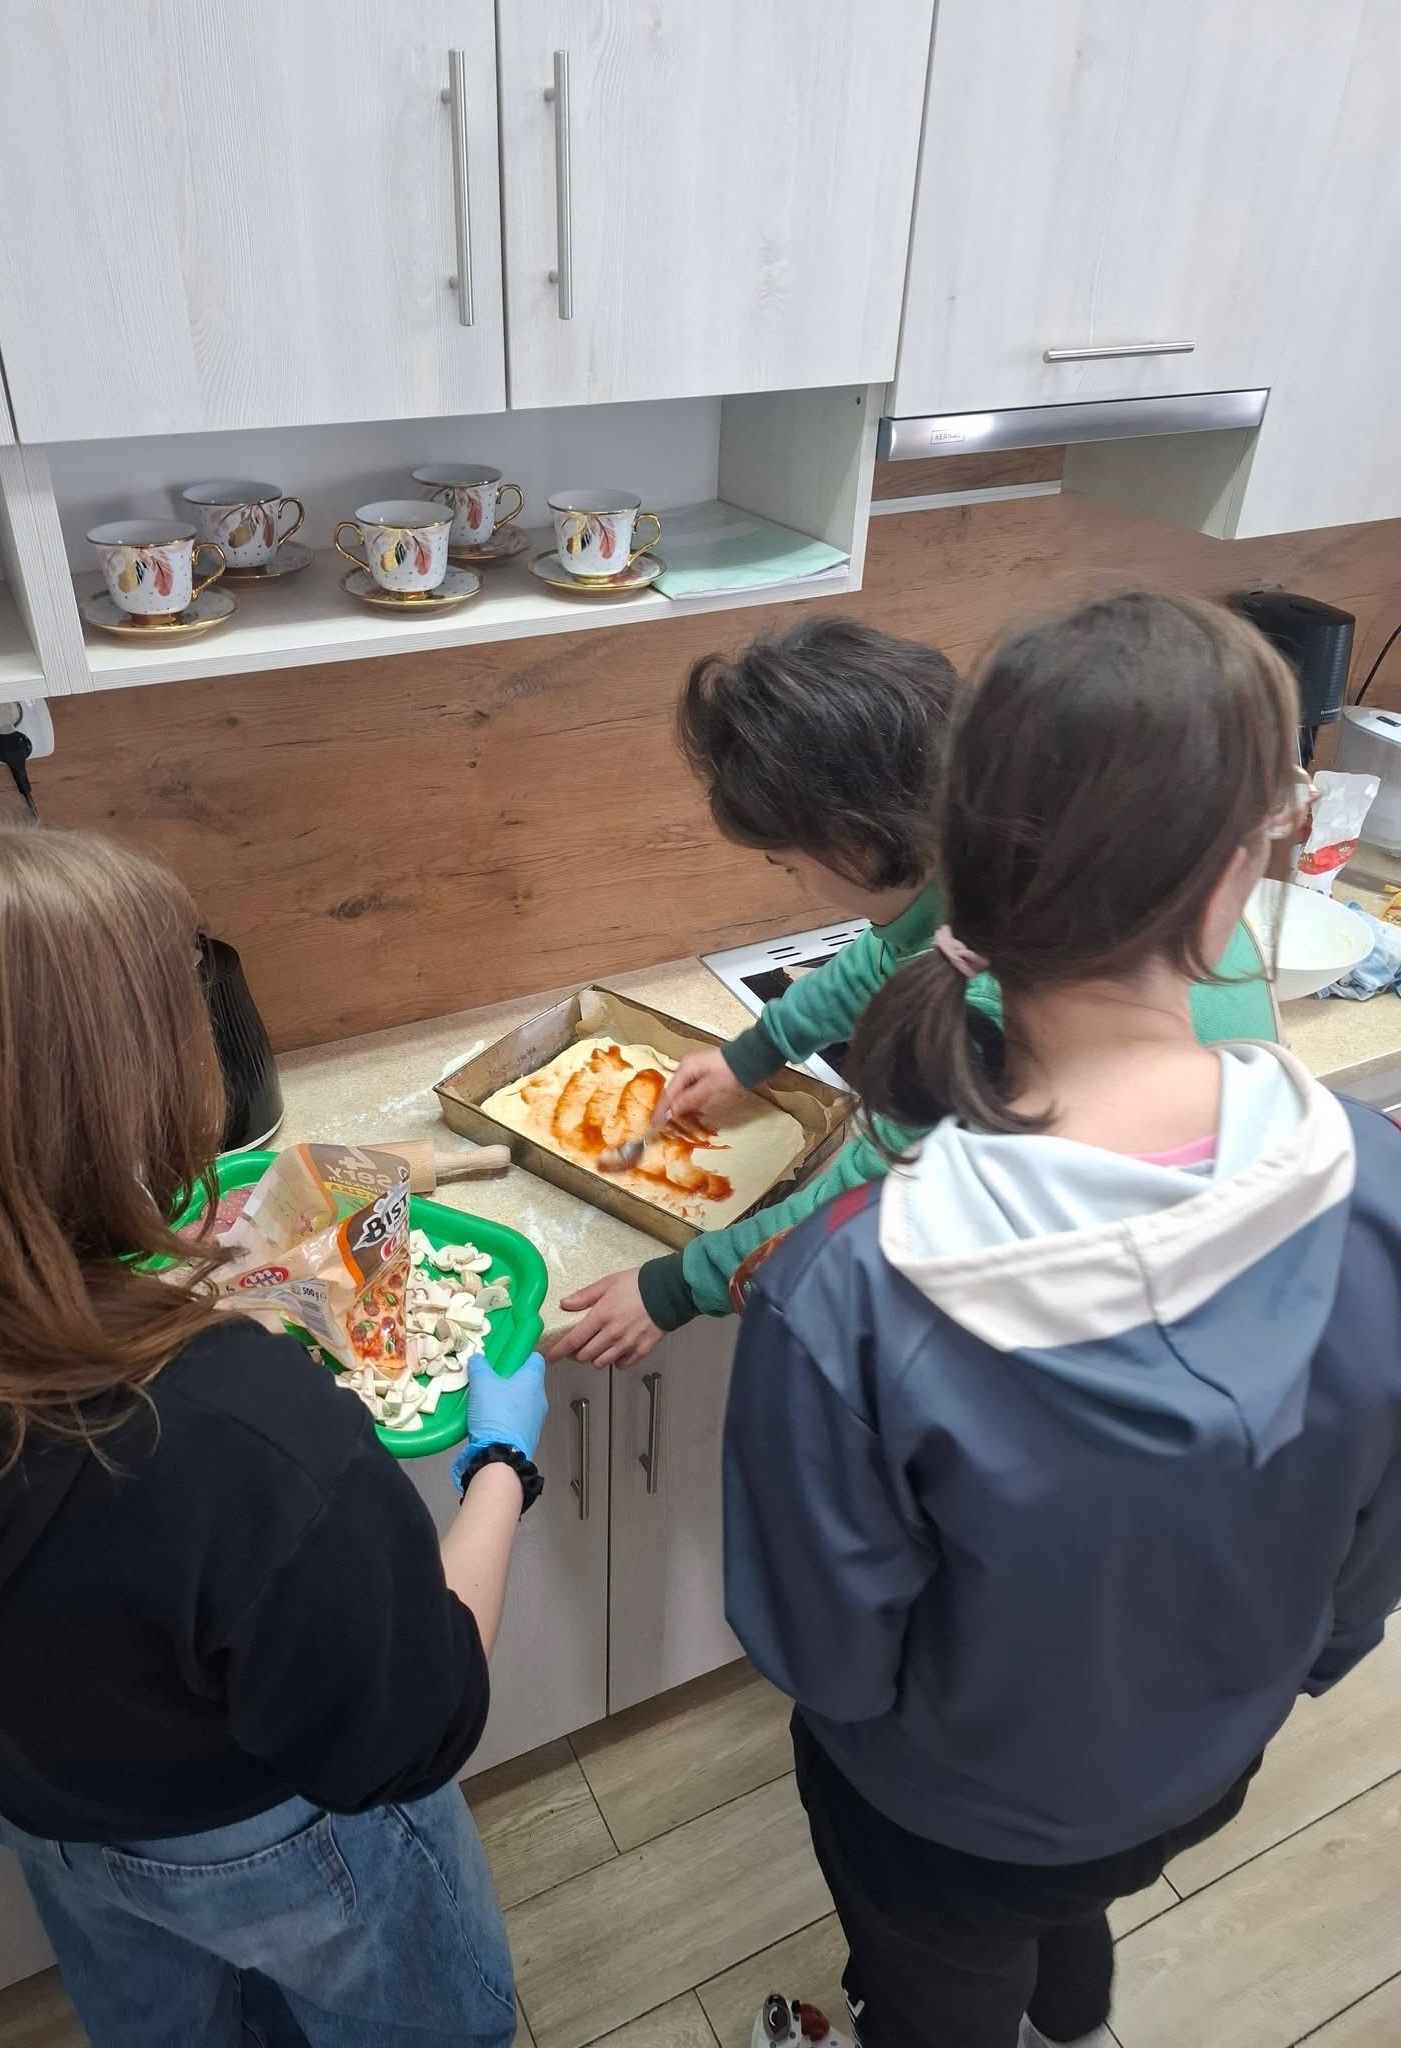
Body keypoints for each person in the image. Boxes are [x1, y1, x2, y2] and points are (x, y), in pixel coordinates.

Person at [724, 592, 1401, 2048]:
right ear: (1236, 878)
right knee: (1071, 1910)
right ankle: (1075, 2026)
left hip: (948, 1813)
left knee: (939, 1988)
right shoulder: (1382, 1193)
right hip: (1202, 1770)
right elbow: (1361, 1584)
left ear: (947, 867)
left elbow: (831, 1662)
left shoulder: (841, 1291)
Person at [0, 798, 548, 2048]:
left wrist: (143, 1289)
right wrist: (501, 1459)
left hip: (41, 1813)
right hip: (270, 1838)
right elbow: (423, 1715)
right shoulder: (241, 1436)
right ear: (107, 1104)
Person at [552, 612, 1278, 1370]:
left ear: (856, 841)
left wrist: (675, 1288)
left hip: (1150, 1310)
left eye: (786, 865)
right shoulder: (1002, 830)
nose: (793, 883)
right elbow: (886, 955)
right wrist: (755, 1052)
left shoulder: (1001, 1006)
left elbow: (870, 1203)